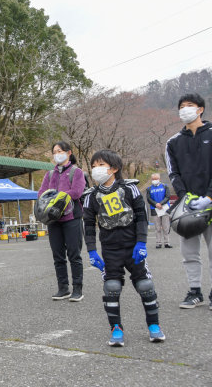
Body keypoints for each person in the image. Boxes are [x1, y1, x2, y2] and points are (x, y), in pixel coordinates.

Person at [84, 150, 165, 347]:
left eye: (101, 165)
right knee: (111, 288)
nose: (96, 169)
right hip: (110, 250)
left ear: (114, 168)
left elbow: (141, 215)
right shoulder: (91, 196)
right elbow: (87, 225)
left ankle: (154, 326)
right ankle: (116, 328)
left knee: (145, 285)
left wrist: (142, 243)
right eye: (94, 166)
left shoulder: (130, 189)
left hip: (133, 246)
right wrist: (92, 251)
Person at [166, 93, 212, 309]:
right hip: (187, 207)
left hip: (210, 203)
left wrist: (209, 197)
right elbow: (173, 173)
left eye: (190, 105)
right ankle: (195, 292)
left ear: (200, 109)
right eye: (182, 106)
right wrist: (185, 197)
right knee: (189, 253)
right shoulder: (173, 142)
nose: (185, 109)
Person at [37, 141, 85, 301]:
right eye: (55, 151)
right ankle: (63, 288)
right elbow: (42, 193)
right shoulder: (49, 174)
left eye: (60, 151)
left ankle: (77, 289)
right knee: (58, 255)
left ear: (69, 152)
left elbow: (77, 192)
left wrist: (57, 197)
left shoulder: (76, 172)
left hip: (71, 217)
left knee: (74, 254)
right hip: (53, 219)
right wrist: (47, 201)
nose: (57, 154)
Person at [145, 173, 172, 249]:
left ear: (159, 179)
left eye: (156, 179)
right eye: (153, 179)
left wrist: (161, 203)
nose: (154, 180)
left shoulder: (165, 186)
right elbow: (148, 198)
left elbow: (168, 196)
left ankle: (167, 242)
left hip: (165, 208)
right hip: (154, 209)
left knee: (166, 226)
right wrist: (156, 204)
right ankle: (158, 243)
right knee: (157, 227)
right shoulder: (149, 188)